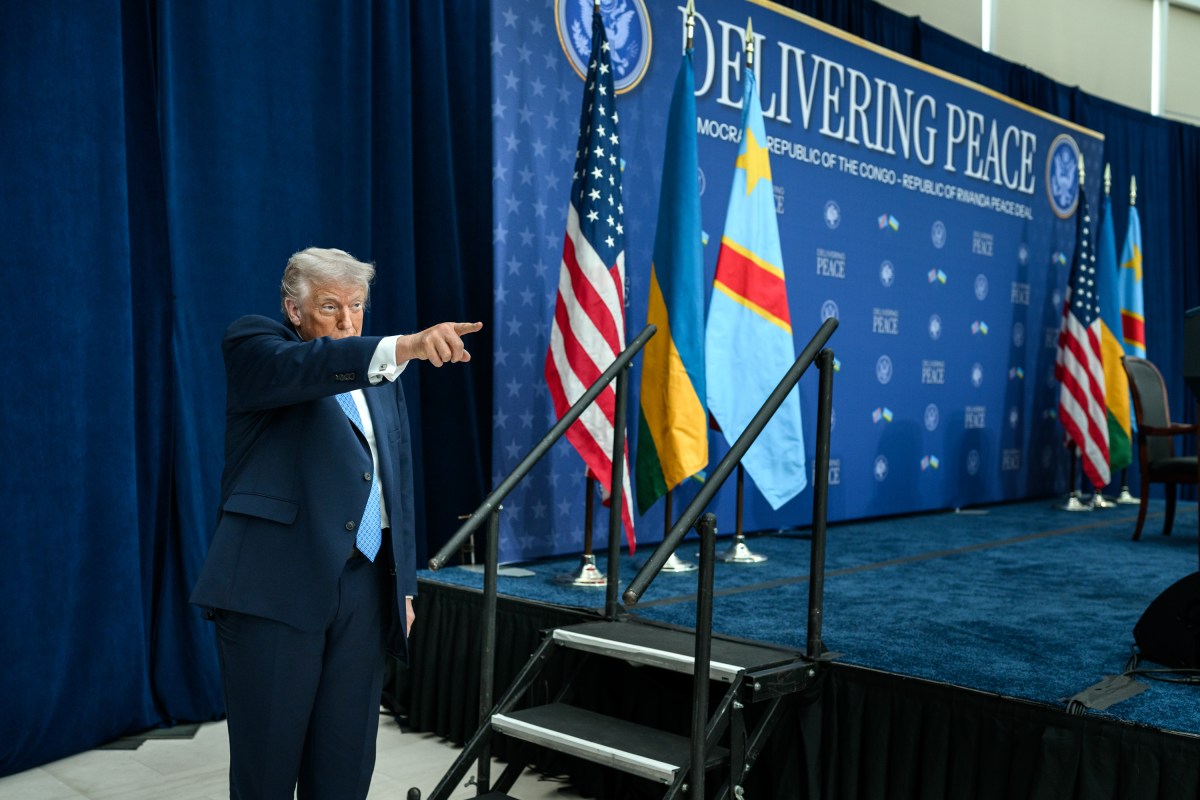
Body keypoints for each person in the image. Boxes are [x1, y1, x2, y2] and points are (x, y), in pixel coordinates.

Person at [190, 246, 482, 800]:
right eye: (330, 308)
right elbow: (307, 368)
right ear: (293, 309)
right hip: (274, 590)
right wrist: (405, 345)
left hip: (366, 589)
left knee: (345, 767)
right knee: (268, 773)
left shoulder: (383, 373)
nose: (348, 323)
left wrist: (405, 585)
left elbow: (397, 478)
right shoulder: (256, 347)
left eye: (357, 307)